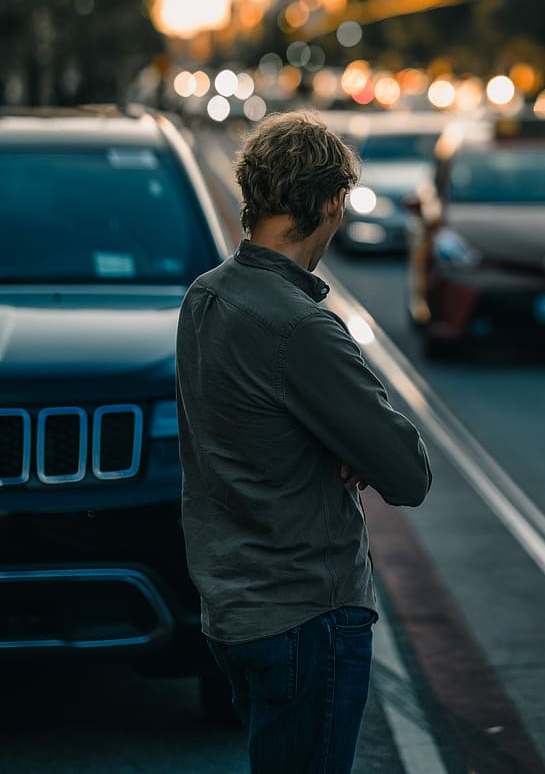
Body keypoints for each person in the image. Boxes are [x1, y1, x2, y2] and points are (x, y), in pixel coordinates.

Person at [176, 111, 432, 773]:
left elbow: (236, 430)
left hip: (231, 611)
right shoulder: (301, 329)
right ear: (328, 201)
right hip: (305, 615)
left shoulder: (204, 298)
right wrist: (340, 445)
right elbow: (407, 471)